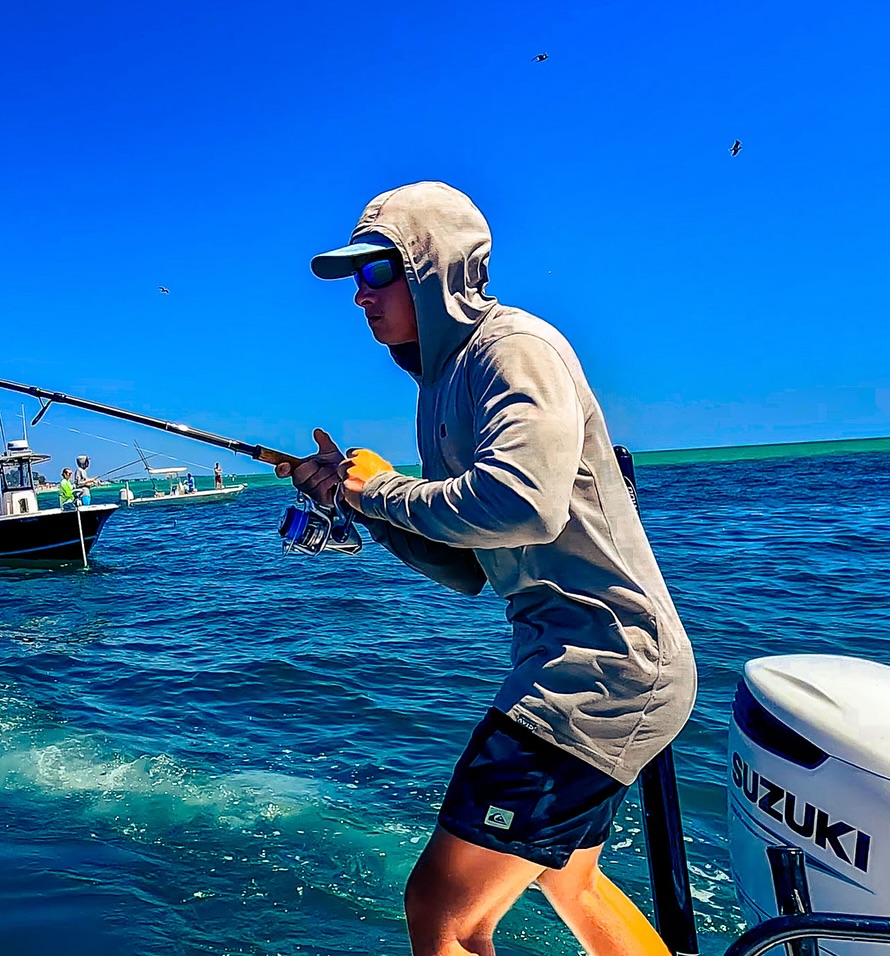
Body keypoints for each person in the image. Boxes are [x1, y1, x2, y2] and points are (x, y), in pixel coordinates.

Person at [278, 182, 696, 956]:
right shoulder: (438, 389)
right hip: (573, 661)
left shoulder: (513, 350)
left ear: (433, 267)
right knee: (566, 880)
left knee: (444, 915)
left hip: (601, 669)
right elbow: (466, 568)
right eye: (353, 282)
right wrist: (361, 503)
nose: (360, 297)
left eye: (377, 273)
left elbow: (524, 504)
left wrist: (388, 489)